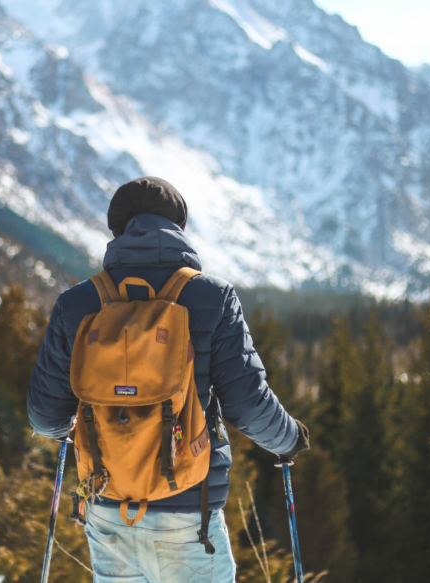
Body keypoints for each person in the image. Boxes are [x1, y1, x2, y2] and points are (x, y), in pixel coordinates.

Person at [27, 176, 309, 582]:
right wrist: (289, 440)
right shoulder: (212, 297)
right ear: (177, 227)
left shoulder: (77, 303)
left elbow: (44, 417)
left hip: (108, 508)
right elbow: (247, 404)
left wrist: (73, 426)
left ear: (117, 229)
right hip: (188, 510)